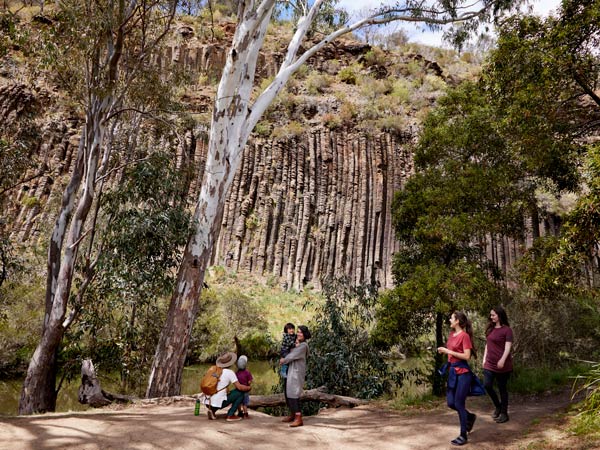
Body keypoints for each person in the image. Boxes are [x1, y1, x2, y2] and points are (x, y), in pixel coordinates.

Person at [437, 311, 478, 446]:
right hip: (453, 372)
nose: (449, 319)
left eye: (452, 318)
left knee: (459, 403)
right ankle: (470, 417)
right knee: (450, 402)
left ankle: (463, 435)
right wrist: (445, 352)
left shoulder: (464, 336)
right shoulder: (451, 334)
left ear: (458, 321)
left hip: (463, 374)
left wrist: (448, 351)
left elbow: (467, 356)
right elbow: (452, 354)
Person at [483, 306, 513, 424]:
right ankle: (498, 406)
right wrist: (484, 358)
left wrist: (502, 360)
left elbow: (508, 347)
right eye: (491, 315)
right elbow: (487, 344)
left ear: (499, 316)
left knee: (502, 389)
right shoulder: (490, 329)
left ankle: (504, 413)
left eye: (493, 315)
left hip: (503, 365)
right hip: (489, 364)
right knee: (487, 385)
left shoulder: (507, 330)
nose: (491, 317)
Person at [204, 352, 252, 422]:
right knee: (240, 393)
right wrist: (248, 388)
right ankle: (231, 415)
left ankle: (212, 410)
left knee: (222, 394)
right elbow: (239, 387)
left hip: (208, 402)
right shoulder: (229, 372)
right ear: (230, 363)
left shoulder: (214, 369)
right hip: (218, 402)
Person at [279, 324, 311, 427]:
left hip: (296, 373)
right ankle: (293, 414)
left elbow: (292, 355)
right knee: (288, 393)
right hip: (291, 371)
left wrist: (284, 360)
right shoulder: (297, 344)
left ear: (305, 334)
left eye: (301, 332)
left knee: (293, 394)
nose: (298, 333)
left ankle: (298, 418)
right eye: (298, 332)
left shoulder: (303, 346)